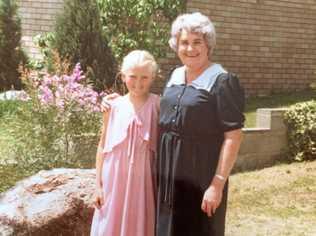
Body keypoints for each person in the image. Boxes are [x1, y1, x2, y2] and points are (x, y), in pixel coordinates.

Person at [102, 12, 245, 236]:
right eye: (184, 42)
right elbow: (151, 104)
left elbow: (233, 136)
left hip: (200, 176)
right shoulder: (174, 76)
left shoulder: (222, 80)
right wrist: (116, 100)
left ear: (208, 44)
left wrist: (217, 184)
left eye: (197, 42)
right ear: (176, 45)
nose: (190, 49)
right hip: (168, 175)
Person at [90, 50, 160, 236]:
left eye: (144, 77)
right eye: (132, 76)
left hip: (142, 183)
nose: (138, 83)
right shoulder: (112, 106)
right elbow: (102, 146)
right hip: (113, 182)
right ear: (122, 76)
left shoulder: (157, 105)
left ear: (153, 77)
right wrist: (98, 186)